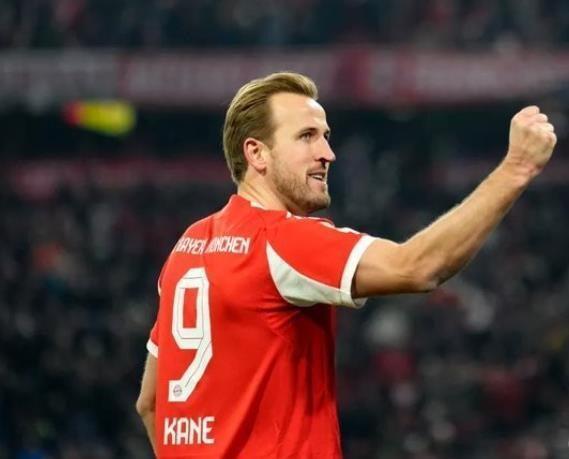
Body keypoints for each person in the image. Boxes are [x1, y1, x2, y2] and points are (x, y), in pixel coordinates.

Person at [136, 72, 557, 458]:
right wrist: (516, 169)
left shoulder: (187, 247)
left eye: (326, 136)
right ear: (257, 154)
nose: (328, 154)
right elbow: (418, 266)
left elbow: (150, 403)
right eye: (306, 137)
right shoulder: (282, 240)